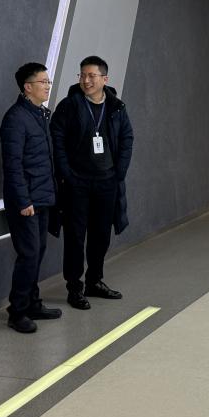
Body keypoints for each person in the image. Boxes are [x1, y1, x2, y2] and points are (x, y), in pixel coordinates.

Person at [50, 55, 134, 309]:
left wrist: (119, 172)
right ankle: (74, 288)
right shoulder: (70, 105)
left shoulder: (116, 107)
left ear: (104, 79)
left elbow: (127, 137)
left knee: (101, 235)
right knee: (75, 237)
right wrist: (67, 173)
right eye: (82, 75)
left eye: (91, 76)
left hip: (107, 182)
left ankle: (94, 281)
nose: (86, 80)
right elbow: (56, 138)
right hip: (77, 183)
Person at [0, 62, 64, 333]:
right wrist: (24, 201)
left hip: (42, 196)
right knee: (28, 254)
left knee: (37, 252)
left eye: (48, 82)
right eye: (42, 82)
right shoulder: (16, 118)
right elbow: (12, 165)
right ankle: (17, 312)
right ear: (27, 87)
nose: (47, 86)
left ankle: (33, 303)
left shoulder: (39, 114)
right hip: (26, 201)